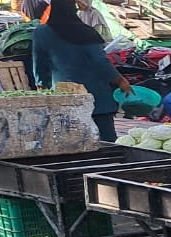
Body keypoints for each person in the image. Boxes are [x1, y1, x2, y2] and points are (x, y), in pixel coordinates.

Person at [29, 0, 131, 142]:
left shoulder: (42, 32)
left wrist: (42, 85)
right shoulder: (88, 32)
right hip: (98, 98)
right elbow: (101, 61)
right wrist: (120, 81)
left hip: (66, 96)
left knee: (72, 141)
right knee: (107, 141)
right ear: (73, 10)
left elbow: (39, 63)